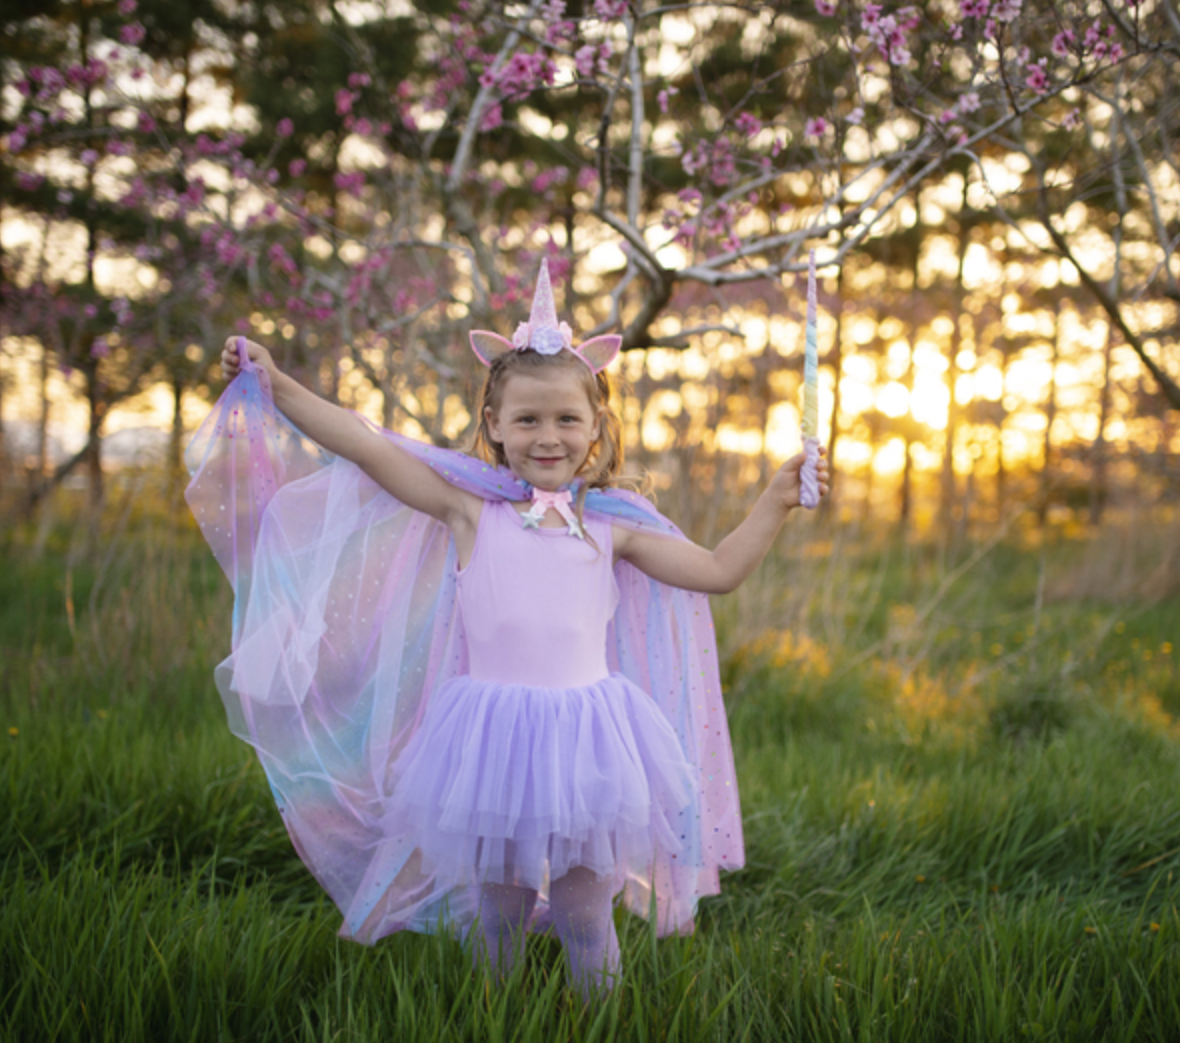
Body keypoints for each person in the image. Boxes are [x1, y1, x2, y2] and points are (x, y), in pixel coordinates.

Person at [187, 263, 828, 997]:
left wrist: (776, 500)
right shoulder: (469, 511)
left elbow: (716, 569)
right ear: (493, 424)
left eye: (565, 419)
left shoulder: (609, 526)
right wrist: (278, 383)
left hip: (589, 742)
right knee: (499, 912)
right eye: (526, 419)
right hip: (488, 740)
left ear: (595, 427)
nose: (547, 436)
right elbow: (365, 444)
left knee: (588, 914)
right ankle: (495, 1017)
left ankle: (600, 1020)